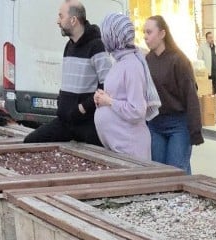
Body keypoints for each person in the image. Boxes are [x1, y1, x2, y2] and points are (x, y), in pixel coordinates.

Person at [23, 1, 113, 146]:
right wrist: (61, 102)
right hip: (65, 121)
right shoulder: (69, 46)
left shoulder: (96, 46)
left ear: (73, 20)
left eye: (61, 16)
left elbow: (107, 86)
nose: (58, 21)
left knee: (99, 155)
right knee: (30, 142)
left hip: (87, 124)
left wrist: (82, 108)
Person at [144, 15, 204, 173]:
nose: (145, 37)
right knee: (159, 173)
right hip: (155, 123)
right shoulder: (147, 60)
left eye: (149, 32)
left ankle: (187, 188)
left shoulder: (179, 60)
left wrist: (195, 130)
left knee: (176, 171)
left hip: (178, 124)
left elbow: (191, 96)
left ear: (162, 34)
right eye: (144, 32)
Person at [92, 13, 157, 160]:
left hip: (131, 149)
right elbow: (117, 98)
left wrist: (109, 101)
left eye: (105, 34)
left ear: (114, 36)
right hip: (120, 148)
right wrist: (101, 98)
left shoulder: (132, 65)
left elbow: (137, 110)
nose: (102, 39)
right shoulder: (119, 61)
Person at [201, 31, 216, 97]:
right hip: (207, 73)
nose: (212, 39)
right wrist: (203, 71)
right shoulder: (202, 47)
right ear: (207, 39)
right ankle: (209, 103)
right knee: (208, 91)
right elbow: (200, 60)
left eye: (212, 37)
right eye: (210, 37)